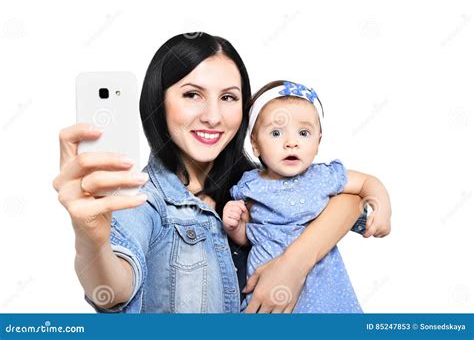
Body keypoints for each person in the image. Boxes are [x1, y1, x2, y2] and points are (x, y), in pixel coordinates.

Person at [52, 33, 388, 313]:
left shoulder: (264, 182)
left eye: (228, 97)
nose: (213, 116)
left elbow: (350, 202)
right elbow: (113, 289)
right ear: (159, 100)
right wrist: (90, 238)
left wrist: (293, 266)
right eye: (192, 94)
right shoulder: (143, 200)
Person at [223, 80, 392, 312]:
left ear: (318, 141)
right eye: (275, 132)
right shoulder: (249, 185)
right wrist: (235, 226)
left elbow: (366, 182)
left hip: (323, 290)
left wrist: (382, 207)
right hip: (267, 292)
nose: (291, 142)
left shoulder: (322, 177)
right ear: (255, 144)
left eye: (303, 133)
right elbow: (249, 237)